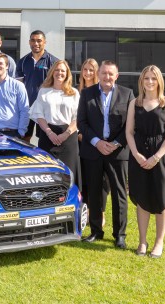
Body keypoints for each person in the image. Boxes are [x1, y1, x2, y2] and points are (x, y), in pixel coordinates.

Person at [77, 60, 135, 249]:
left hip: (117, 153)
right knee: (94, 192)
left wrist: (115, 143)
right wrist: (97, 142)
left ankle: (120, 235)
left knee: (119, 194)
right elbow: (82, 122)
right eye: (104, 73)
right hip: (93, 151)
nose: (107, 77)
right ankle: (96, 231)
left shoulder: (127, 94)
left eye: (111, 74)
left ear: (116, 76)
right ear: (98, 74)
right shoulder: (87, 93)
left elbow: (130, 125)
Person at [126, 65, 165, 258]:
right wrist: (137, 154)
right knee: (142, 198)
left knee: (162, 199)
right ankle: (142, 241)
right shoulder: (135, 104)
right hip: (139, 156)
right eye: (146, 78)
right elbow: (129, 132)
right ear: (141, 81)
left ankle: (159, 242)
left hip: (161, 157)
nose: (149, 82)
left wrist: (156, 157)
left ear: (159, 81)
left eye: (153, 78)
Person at [30, 60, 81, 189]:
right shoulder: (44, 91)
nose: (60, 73)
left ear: (67, 74)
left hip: (69, 137)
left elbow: (78, 117)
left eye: (63, 71)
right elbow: (38, 114)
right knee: (48, 173)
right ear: (52, 72)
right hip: (48, 136)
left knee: (69, 173)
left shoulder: (74, 93)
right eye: (57, 70)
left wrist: (66, 134)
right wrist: (49, 132)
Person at [77, 58, 109, 227]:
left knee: (102, 182)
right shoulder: (77, 91)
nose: (88, 73)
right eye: (85, 69)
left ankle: (101, 213)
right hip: (80, 143)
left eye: (91, 70)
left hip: (98, 143)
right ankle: (88, 212)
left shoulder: (100, 92)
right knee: (86, 181)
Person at [15, 30, 59, 141]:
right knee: (25, 137)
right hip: (27, 107)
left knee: (44, 138)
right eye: (33, 40)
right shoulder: (23, 62)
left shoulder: (54, 62)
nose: (36, 43)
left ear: (45, 42)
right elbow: (19, 87)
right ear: (29, 42)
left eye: (39, 41)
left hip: (45, 108)